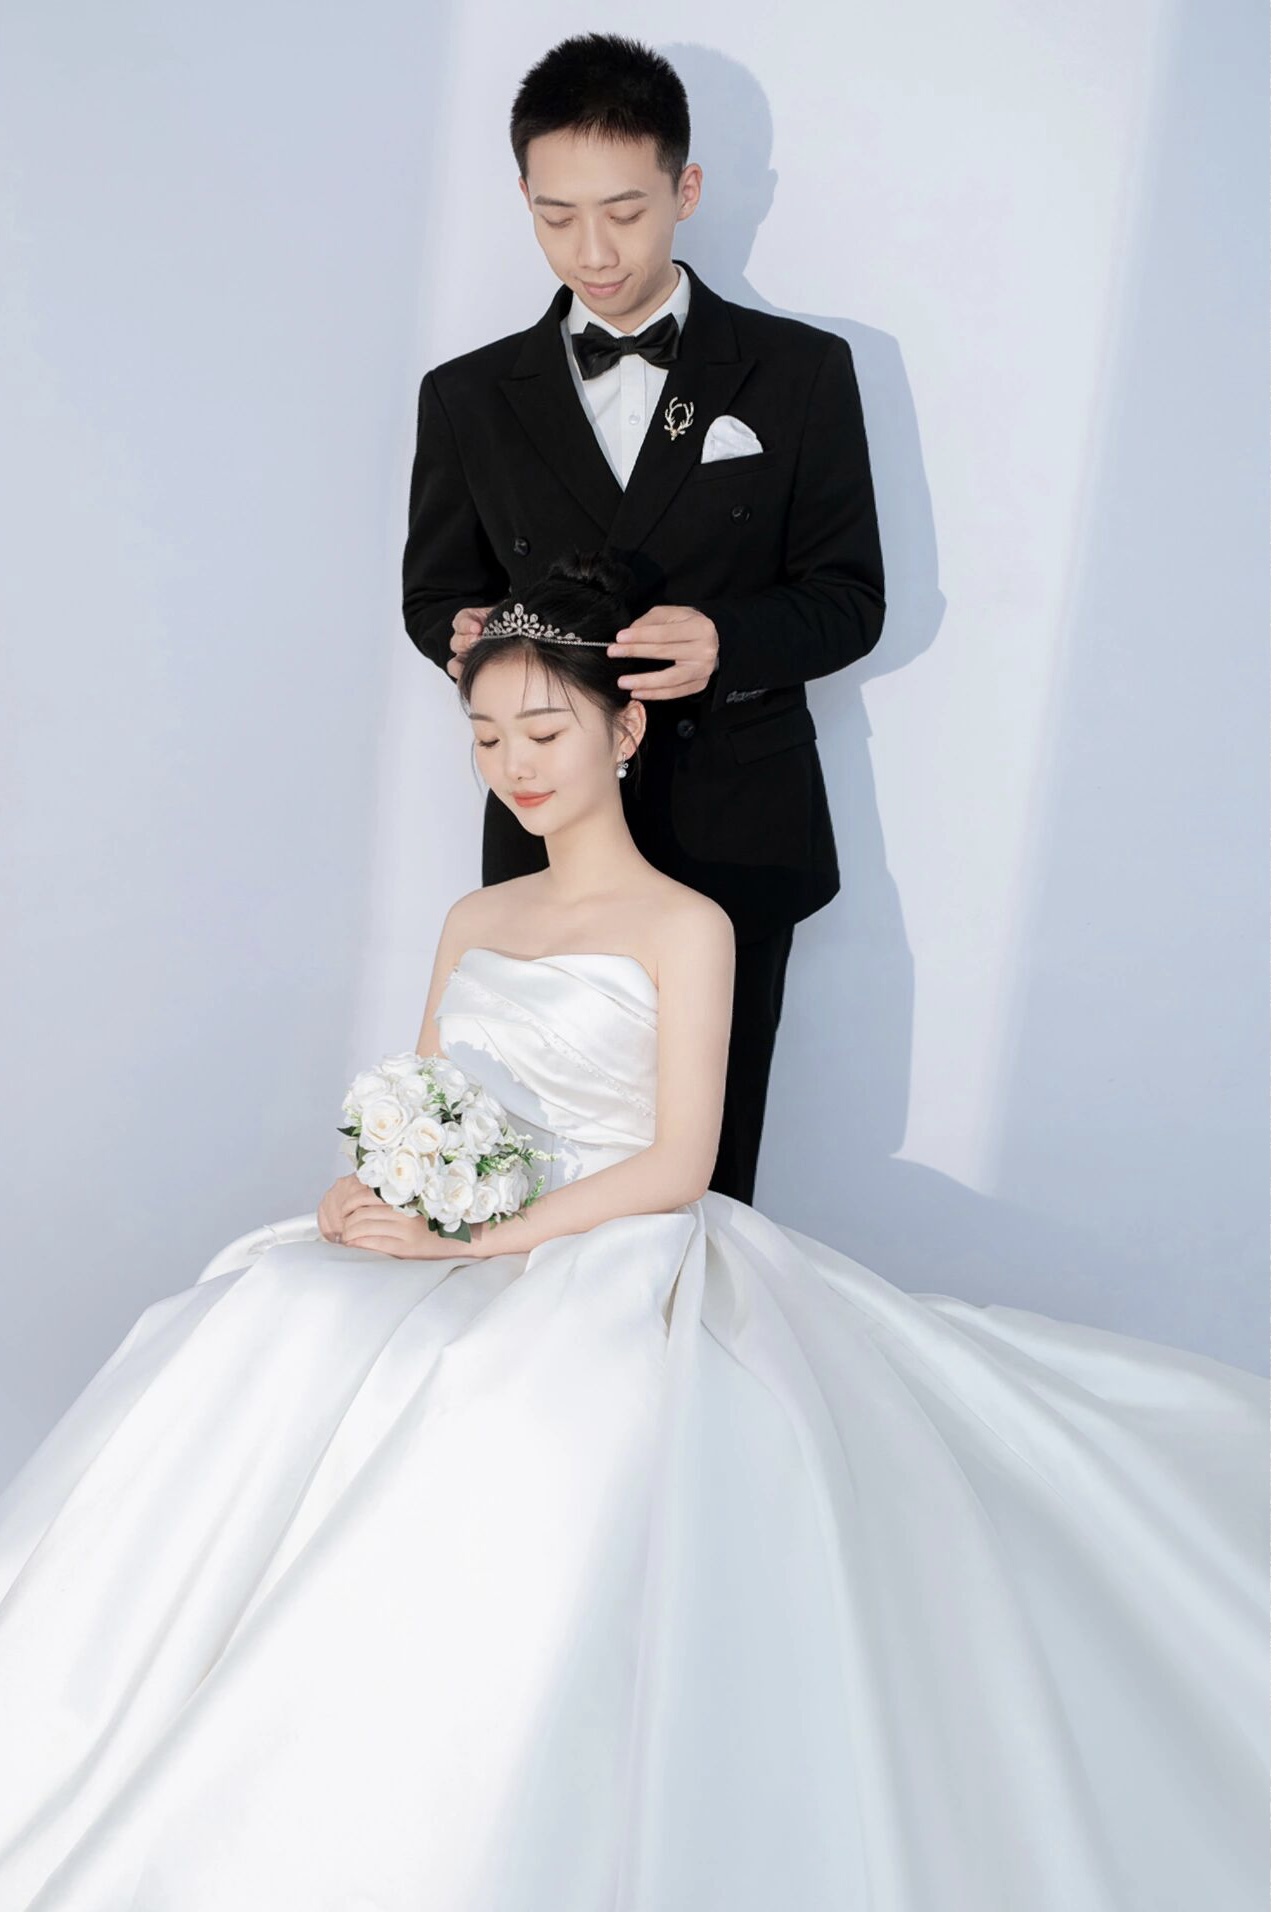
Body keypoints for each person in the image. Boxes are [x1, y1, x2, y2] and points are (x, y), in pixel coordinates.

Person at [0, 552, 1265, 1912]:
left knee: (558, 1396)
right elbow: (419, 1098)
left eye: (544, 732)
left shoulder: (685, 922)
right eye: (487, 736)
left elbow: (677, 1160)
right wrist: (357, 1193)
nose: (514, 765)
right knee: (276, 1309)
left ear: (625, 727)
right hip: (454, 1233)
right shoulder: (475, 915)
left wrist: (483, 1245)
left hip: (604, 1236)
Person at [402, 32, 885, 1205]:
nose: (593, 250)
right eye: (555, 216)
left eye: (623, 211)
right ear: (522, 198)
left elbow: (850, 598)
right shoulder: (466, 395)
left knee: (704, 1181)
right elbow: (432, 595)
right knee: (504, 1161)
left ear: (686, 189)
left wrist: (729, 640)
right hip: (548, 824)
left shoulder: (799, 373)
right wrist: (467, 638)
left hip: (736, 821)